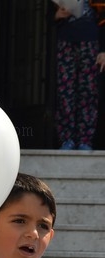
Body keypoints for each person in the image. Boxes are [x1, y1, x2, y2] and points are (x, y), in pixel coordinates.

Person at [54, 2, 100, 150]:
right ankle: (67, 139)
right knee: (65, 92)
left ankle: (85, 141)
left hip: (91, 42)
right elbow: (47, 17)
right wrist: (56, 16)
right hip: (66, 41)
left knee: (88, 92)